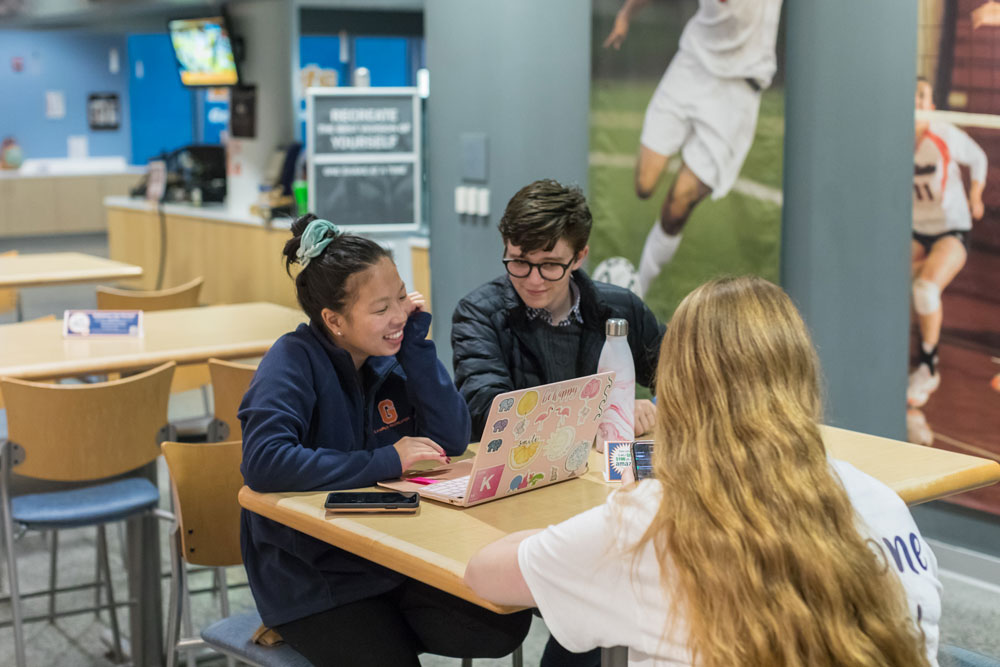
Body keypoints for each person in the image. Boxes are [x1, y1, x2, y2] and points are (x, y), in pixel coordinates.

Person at [464, 276, 941, 667]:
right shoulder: (879, 500)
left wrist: (574, 529)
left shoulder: (650, 520)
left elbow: (484, 573)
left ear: (679, 383)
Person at [239, 214, 531, 666]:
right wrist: (386, 460)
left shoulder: (388, 357)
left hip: (390, 558)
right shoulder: (292, 360)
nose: (398, 316)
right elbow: (264, 463)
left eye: (401, 297)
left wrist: (416, 348)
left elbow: (452, 439)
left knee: (500, 626)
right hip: (313, 577)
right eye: (380, 309)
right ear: (333, 320)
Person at [452, 179, 664, 666]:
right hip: (517, 509)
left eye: (551, 265)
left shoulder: (618, 310)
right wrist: (603, 416)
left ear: (580, 256)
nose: (532, 279)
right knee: (607, 595)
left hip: (601, 497)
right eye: (518, 261)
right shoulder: (480, 313)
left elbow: (688, 376)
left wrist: (655, 408)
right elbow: (489, 413)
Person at [604, 0, 784, 297]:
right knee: (644, 184)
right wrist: (625, 14)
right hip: (693, 66)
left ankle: (637, 294)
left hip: (737, 89)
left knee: (677, 207)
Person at [908, 77, 987, 408]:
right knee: (887, 283)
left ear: (930, 105)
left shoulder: (944, 133)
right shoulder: (891, 133)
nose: (915, 100)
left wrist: (976, 195)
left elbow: (979, 158)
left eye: (922, 96)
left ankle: (929, 366)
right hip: (914, 229)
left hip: (951, 228)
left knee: (925, 288)